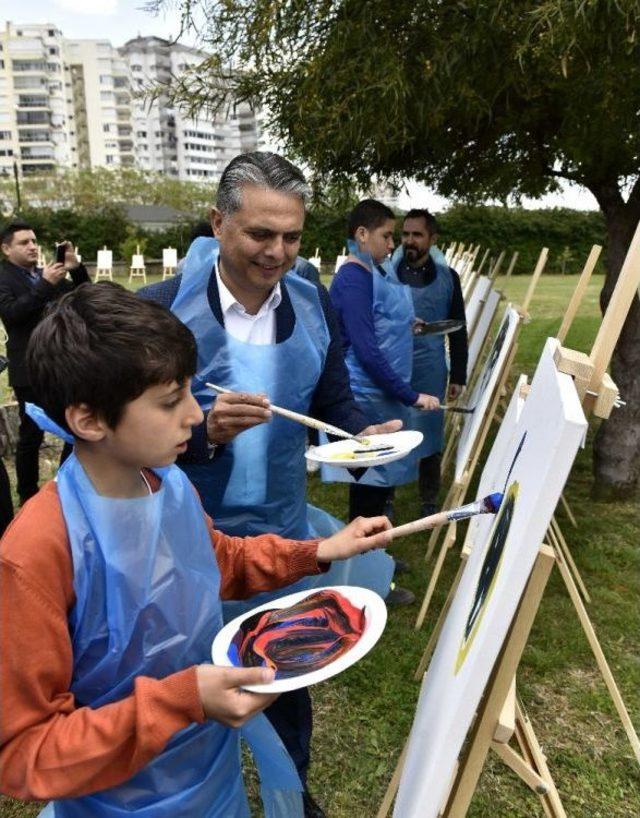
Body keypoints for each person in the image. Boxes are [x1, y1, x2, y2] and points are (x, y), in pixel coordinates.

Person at [0, 282, 393, 818]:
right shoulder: (37, 551)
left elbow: (214, 559)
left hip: (212, 777)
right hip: (118, 803)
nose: (193, 414)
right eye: (170, 401)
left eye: (190, 389)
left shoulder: (167, 481)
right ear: (89, 419)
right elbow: (26, 751)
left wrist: (317, 550)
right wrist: (183, 700)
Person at [138, 152, 397, 815]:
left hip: (281, 534)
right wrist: (204, 435)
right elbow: (120, 441)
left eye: (291, 236)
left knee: (284, 672)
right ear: (219, 222)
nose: (277, 252)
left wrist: (364, 433)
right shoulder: (158, 312)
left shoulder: (314, 305)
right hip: (180, 544)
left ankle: (292, 795)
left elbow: (333, 398)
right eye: (260, 234)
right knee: (185, 687)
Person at [321, 199, 441, 602]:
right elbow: (368, 351)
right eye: (387, 235)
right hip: (367, 398)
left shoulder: (370, 272)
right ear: (362, 235)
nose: (392, 244)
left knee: (380, 486)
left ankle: (378, 554)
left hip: (382, 397)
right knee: (368, 492)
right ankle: (370, 578)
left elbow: (379, 322)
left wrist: (408, 325)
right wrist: (410, 394)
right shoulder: (352, 278)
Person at [0, 222, 89, 504]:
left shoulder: (44, 274)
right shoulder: (4, 278)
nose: (32, 246)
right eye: (24, 242)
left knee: (72, 426)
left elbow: (86, 295)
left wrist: (75, 267)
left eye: (34, 241)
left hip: (60, 363)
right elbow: (12, 315)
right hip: (27, 368)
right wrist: (44, 285)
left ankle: (66, 484)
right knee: (31, 434)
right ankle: (27, 494)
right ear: (6, 248)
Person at [394, 210, 468, 516]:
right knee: (392, 430)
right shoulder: (386, 272)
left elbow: (458, 328)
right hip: (393, 366)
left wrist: (459, 375)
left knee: (430, 433)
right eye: (405, 234)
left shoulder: (448, 278)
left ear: (432, 239)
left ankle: (428, 501)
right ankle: (386, 499)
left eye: (417, 235)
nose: (410, 241)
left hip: (431, 367)